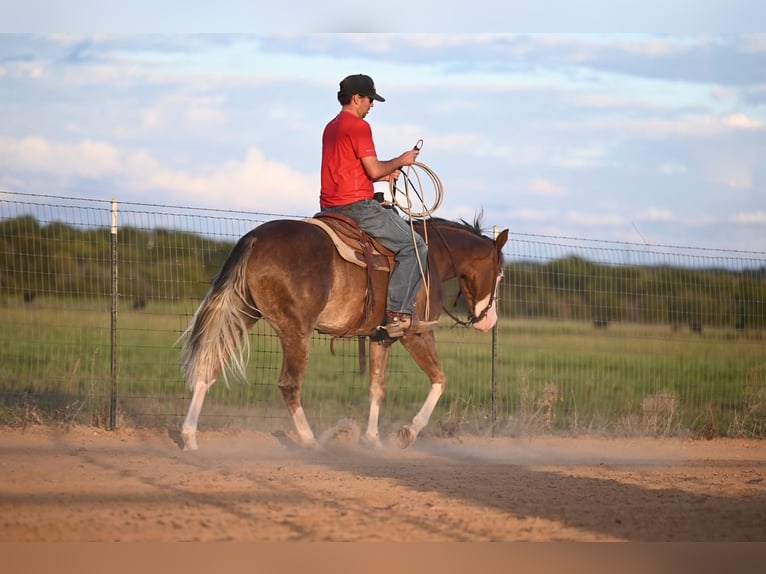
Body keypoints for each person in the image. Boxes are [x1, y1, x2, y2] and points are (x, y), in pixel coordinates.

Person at [320, 73, 427, 338]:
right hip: (358, 208)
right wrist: (401, 161)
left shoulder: (331, 127)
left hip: (329, 209)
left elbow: (358, 170)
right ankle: (397, 315)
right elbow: (373, 167)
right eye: (369, 99)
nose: (372, 105)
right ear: (356, 98)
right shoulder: (359, 127)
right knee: (415, 246)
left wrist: (384, 175)